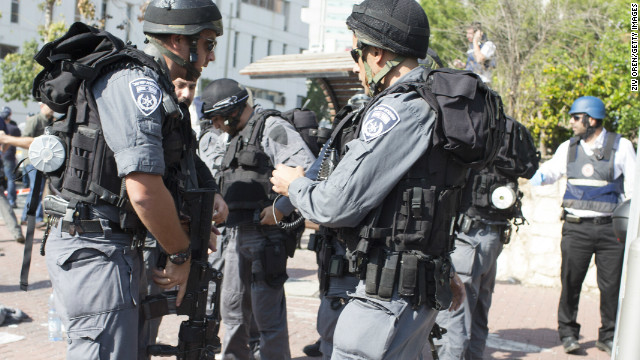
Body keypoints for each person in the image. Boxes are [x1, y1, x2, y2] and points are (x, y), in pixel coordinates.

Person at [271, 1, 466, 358]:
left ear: (376, 53)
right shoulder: (436, 104)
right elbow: (424, 208)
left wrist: (293, 184)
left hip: (386, 298)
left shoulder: (399, 109)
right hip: (417, 288)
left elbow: (334, 205)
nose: (356, 65)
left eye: (355, 51)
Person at [37, 1, 228, 359]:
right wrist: (180, 254)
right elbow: (143, 190)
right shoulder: (135, 80)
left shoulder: (158, 86)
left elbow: (174, 160)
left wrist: (206, 196)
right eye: (207, 43)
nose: (210, 56)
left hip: (113, 245)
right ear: (177, 41)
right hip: (96, 248)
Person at [200, 78, 316, 360]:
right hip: (235, 235)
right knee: (233, 312)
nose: (215, 126)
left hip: (265, 238)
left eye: (218, 119)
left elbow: (310, 171)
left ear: (232, 112)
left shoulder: (272, 127)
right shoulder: (234, 135)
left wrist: (282, 208)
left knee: (268, 320)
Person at [529, 96, 636, 355]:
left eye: (576, 118)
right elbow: (550, 172)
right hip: (576, 229)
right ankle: (568, 334)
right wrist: (530, 173)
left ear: (592, 119)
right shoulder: (569, 147)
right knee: (571, 282)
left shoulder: (621, 147)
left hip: (610, 231)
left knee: (611, 287)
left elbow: (634, 189)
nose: (572, 122)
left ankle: (608, 336)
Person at [0, 103, 53, 226]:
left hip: (44, 162)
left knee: (38, 191)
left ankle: (28, 217)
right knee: (35, 190)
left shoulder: (51, 121)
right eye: (48, 106)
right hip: (32, 161)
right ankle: (32, 218)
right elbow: (25, 141)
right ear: (41, 106)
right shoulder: (35, 120)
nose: (51, 108)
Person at [0, 106, 20, 208]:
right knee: (11, 180)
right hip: (9, 157)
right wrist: (3, 151)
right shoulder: (14, 128)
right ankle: (11, 201)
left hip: (4, 157)